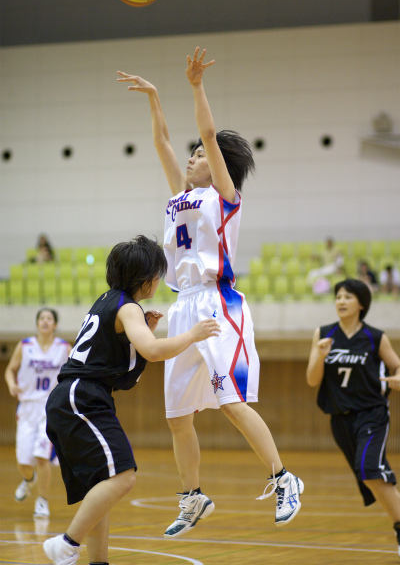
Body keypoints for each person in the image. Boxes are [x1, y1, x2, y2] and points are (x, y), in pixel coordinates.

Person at [116, 47, 304, 539]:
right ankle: (193, 497)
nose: (196, 157)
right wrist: (155, 96)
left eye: (202, 154)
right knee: (178, 416)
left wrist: (196, 87)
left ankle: (284, 479)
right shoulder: (181, 192)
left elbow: (206, 136)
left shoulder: (225, 196)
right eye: (196, 155)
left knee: (231, 403)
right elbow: (161, 142)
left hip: (218, 304)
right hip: (183, 305)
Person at [42, 235, 220, 565]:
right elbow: (154, 352)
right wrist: (192, 334)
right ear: (149, 277)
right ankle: (67, 544)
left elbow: (128, 376)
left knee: (103, 485)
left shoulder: (108, 301)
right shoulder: (128, 308)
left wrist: (145, 333)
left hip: (73, 397)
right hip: (82, 396)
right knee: (124, 476)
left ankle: (97, 561)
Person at [306, 278, 400, 556]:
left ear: (361, 303)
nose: (341, 301)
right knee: (370, 477)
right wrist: (320, 356)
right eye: (338, 297)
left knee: (370, 469)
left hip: (372, 414)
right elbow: (312, 380)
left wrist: (397, 378)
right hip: (340, 419)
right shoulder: (323, 334)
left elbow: (397, 367)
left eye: (347, 297)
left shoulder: (375, 336)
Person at [4, 308, 71, 520]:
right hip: (27, 407)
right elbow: (9, 369)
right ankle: (28, 479)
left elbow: (76, 372)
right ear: (37, 323)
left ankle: (42, 501)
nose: (45, 321)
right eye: (41, 318)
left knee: (42, 457)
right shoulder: (25, 346)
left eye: (49, 318)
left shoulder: (63, 347)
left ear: (54, 325)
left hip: (50, 408)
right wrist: (11, 384)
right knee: (24, 461)